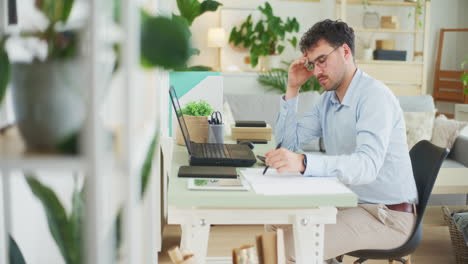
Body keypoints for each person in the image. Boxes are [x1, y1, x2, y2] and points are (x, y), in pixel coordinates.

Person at [264, 19, 418, 263]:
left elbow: (367, 166)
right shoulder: (329, 100)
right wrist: (292, 88)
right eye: (312, 64)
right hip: (347, 203)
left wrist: (304, 163)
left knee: (288, 249)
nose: (316, 72)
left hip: (386, 216)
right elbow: (288, 145)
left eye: (322, 60)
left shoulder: (374, 97)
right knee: (275, 226)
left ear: (345, 51)